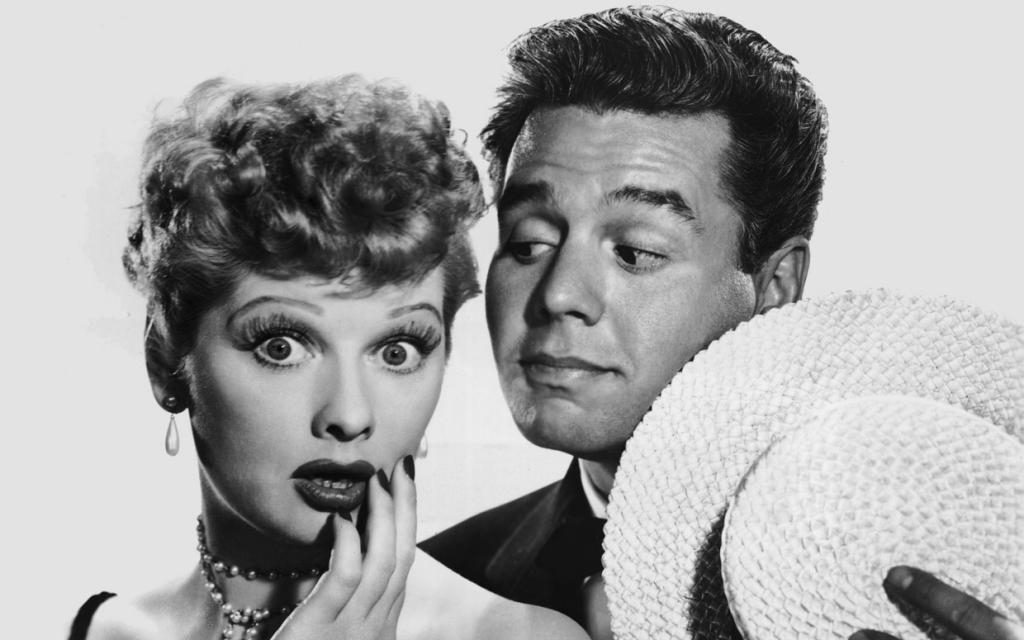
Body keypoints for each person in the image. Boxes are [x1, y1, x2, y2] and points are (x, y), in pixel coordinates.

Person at [419, 7, 1023, 640]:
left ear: (775, 287)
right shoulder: (432, 592)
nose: (560, 293)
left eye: (636, 252)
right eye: (528, 243)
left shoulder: (977, 565)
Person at [66, 75, 587, 640]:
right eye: (282, 347)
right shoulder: (99, 629)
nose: (350, 415)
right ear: (165, 362)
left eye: (397, 351)